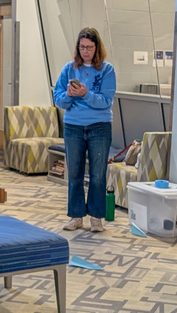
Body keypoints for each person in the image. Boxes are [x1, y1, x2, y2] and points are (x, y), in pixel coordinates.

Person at [53, 27, 116, 233]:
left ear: (97, 48)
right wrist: (70, 95)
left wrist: (85, 94)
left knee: (97, 174)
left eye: (89, 47)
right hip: (73, 127)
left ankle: (96, 217)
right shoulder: (68, 69)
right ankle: (76, 215)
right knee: (75, 173)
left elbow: (105, 102)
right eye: (82, 47)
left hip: (99, 126)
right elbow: (59, 99)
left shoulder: (107, 70)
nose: (85, 51)